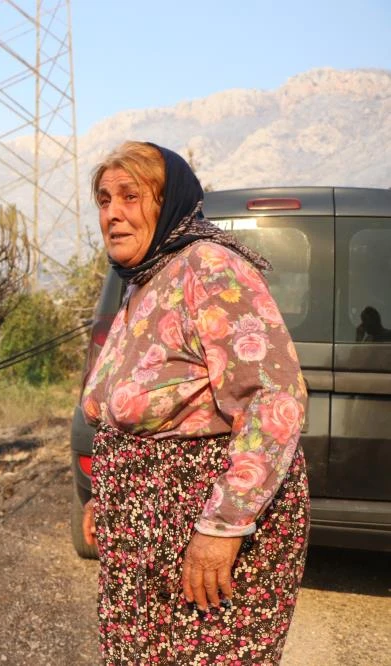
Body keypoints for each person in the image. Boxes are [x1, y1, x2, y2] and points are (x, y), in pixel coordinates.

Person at [79, 141, 309, 665]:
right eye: (103, 199)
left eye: (130, 196)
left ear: (169, 201)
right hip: (147, 536)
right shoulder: (146, 282)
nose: (112, 212)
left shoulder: (207, 268)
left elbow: (273, 400)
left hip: (203, 535)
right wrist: (107, 498)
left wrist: (222, 528)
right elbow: (130, 410)